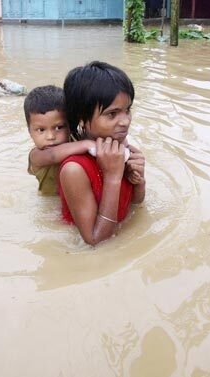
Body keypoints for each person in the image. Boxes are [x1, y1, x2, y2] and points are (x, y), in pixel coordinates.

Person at [58, 61, 146, 245]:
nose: (125, 121)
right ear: (82, 119)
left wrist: (139, 180)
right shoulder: (74, 169)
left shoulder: (119, 146)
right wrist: (113, 177)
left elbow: (135, 206)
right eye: (112, 114)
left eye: (127, 110)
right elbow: (95, 240)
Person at [25, 85, 96, 195]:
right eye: (41, 130)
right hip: (50, 203)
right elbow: (52, 155)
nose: (50, 136)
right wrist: (87, 144)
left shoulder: (75, 141)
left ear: (70, 126)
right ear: (29, 132)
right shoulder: (36, 156)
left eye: (58, 128)